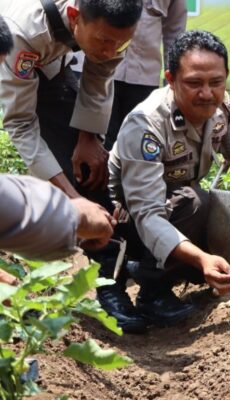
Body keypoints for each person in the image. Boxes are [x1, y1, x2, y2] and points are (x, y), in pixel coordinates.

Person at [109, 30, 230, 329]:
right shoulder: (146, 124)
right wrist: (202, 259)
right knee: (197, 201)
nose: (207, 93)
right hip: (126, 222)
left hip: (176, 212)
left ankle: (158, 270)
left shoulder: (223, 108)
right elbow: (146, 213)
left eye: (216, 82)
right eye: (194, 83)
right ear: (171, 79)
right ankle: (152, 291)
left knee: (213, 204)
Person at [0, 0, 145, 332]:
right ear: (75, 17)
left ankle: (116, 281)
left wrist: (88, 136)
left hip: (51, 64)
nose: (112, 50)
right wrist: (70, 198)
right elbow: (21, 124)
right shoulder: (22, 33)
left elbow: (101, 71)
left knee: (90, 165)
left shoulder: (112, 25)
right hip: (15, 57)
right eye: (104, 41)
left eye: (120, 42)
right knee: (68, 178)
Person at [104, 0, 187, 150]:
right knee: (99, 146)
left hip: (144, 79)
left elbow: (175, 32)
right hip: (99, 73)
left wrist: (174, 86)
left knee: (138, 145)